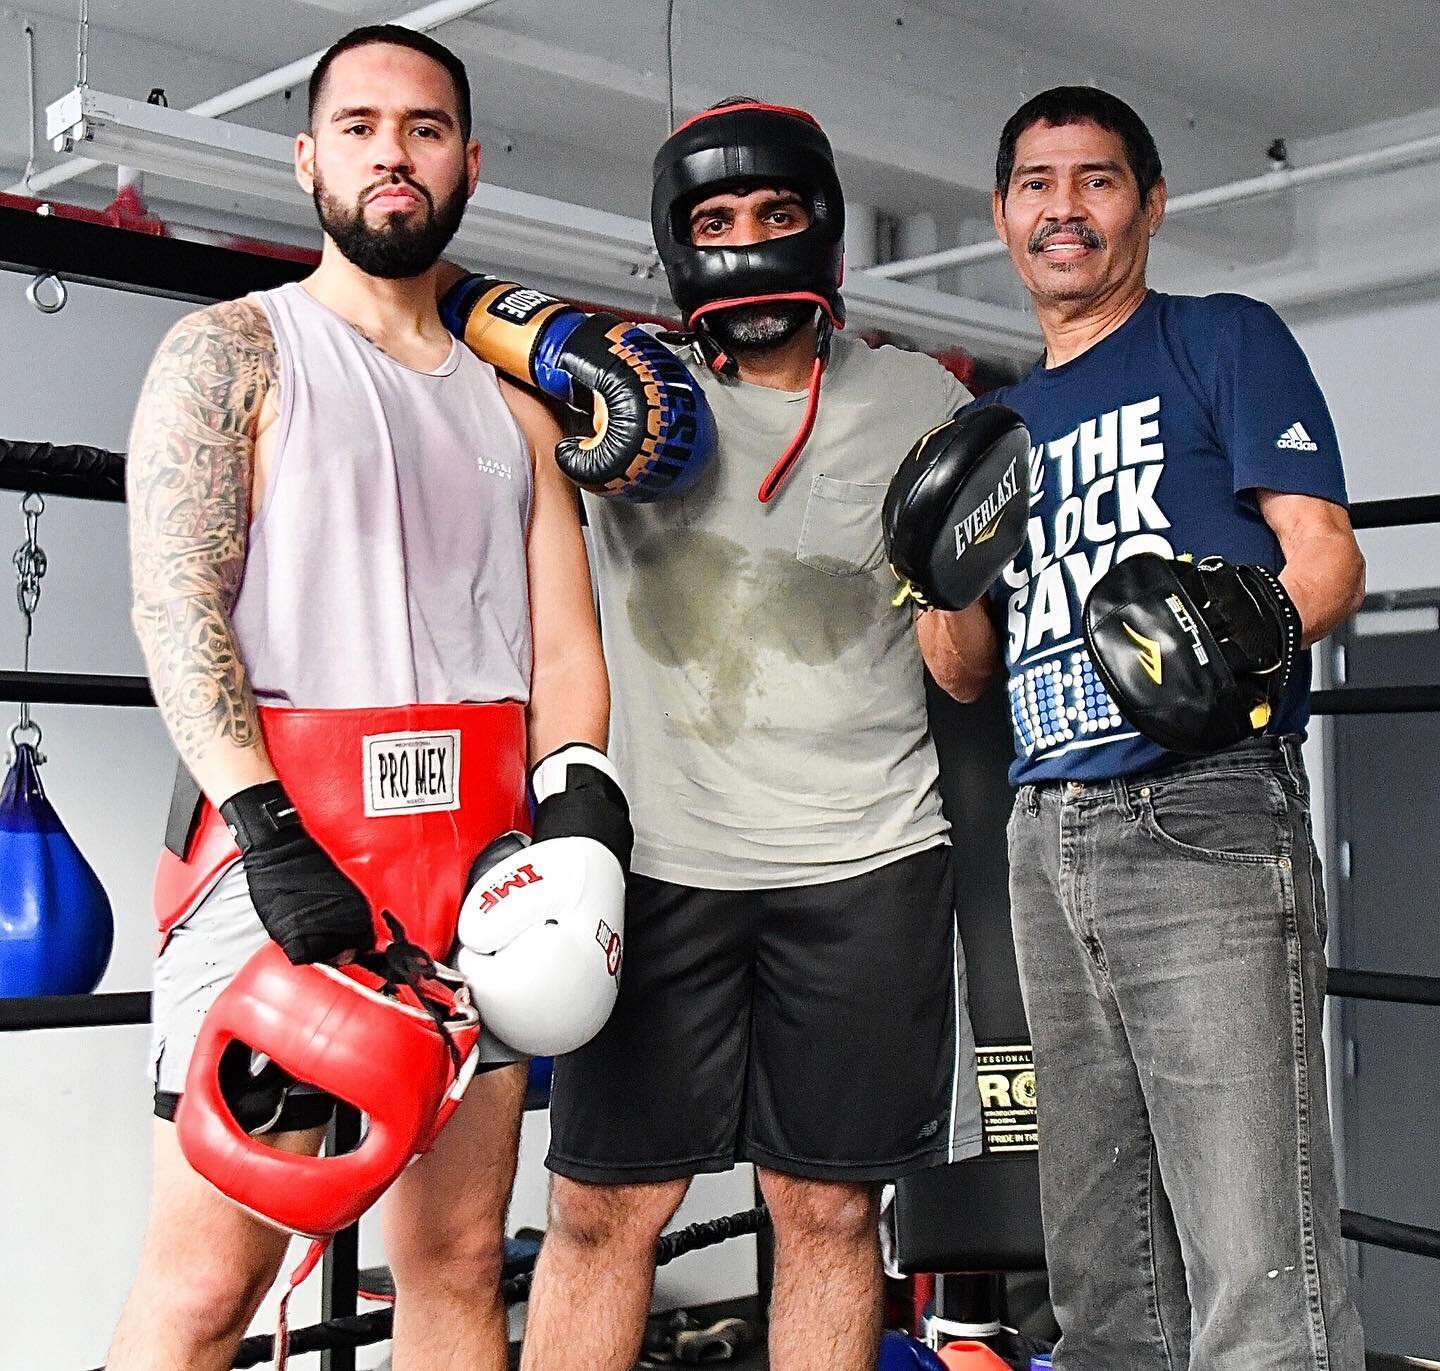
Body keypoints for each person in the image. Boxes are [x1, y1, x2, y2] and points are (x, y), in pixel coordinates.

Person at [110, 26, 612, 1371]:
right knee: (210, 1284)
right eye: (360, 125)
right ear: (308, 158)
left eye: (427, 127)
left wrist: (582, 828)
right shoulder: (232, 351)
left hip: (477, 868)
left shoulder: (515, 415)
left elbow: (562, 649)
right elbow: (176, 605)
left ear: (468, 163)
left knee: (451, 1261)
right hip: (278, 852)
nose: (394, 151)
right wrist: (267, 828)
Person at [504, 101, 985, 1371]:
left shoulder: (920, 397)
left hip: (869, 859)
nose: (749, 244)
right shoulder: (615, 399)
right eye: (714, 222)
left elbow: (963, 671)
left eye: (778, 215)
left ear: (824, 227)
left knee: (829, 1210)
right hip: (660, 862)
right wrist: (553, 345)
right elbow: (440, 311)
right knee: (604, 1210)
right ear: (675, 241)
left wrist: (964, 566)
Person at [919, 86, 1367, 1369]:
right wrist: (928, 562)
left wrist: (1239, 639)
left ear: (1150, 206)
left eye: (1099, 180)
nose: (1067, 209)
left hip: (1202, 806)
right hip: (1044, 832)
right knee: (1104, 1266)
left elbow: (1325, 561)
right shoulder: (984, 432)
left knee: (1252, 1250)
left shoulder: (1219, 339)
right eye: (1038, 184)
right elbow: (959, 674)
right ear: (1005, 215)